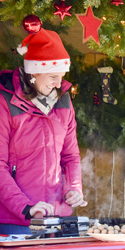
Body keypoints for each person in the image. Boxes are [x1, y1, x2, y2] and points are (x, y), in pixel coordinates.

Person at [0, 28, 87, 234]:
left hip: (56, 220)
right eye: (53, 76)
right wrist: (26, 208)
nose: (59, 84)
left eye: (61, 76)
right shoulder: (5, 101)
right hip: (17, 222)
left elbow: (70, 157)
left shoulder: (64, 101)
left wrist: (73, 188)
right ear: (34, 73)